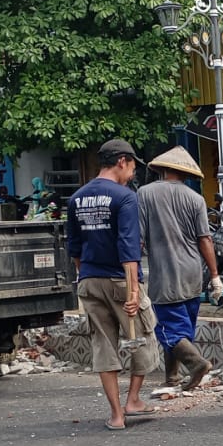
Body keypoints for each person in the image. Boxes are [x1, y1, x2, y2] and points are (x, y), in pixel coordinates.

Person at [68, 139, 160, 430]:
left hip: (89, 280)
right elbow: (129, 247)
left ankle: (116, 415)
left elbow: (74, 249)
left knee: (103, 346)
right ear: (122, 161)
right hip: (122, 279)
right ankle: (133, 399)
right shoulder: (125, 197)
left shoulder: (76, 198)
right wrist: (133, 291)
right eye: (132, 167)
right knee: (142, 337)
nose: (132, 174)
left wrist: (86, 276)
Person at [138, 146, 223, 391]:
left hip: (166, 274)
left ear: (163, 169)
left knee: (168, 330)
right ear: (186, 174)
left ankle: (197, 364)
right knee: (181, 330)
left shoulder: (145, 193)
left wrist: (132, 272)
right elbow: (205, 239)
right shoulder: (196, 199)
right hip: (193, 273)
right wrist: (215, 276)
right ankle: (172, 378)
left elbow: (138, 239)